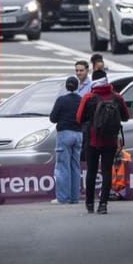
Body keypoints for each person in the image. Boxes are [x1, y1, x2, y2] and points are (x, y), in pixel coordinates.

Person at [77, 74, 130, 214]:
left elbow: (79, 118)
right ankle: (103, 205)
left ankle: (89, 204)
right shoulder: (117, 97)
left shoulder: (88, 97)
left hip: (92, 140)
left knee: (92, 171)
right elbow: (126, 117)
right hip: (110, 140)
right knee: (107, 171)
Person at [50, 76, 83, 204]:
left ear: (66, 86)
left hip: (64, 133)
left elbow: (53, 118)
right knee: (75, 166)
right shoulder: (81, 100)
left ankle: (63, 197)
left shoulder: (61, 100)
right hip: (78, 134)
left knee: (63, 166)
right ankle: (75, 197)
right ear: (77, 86)